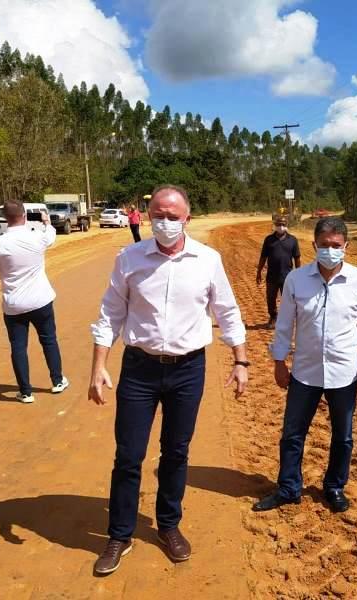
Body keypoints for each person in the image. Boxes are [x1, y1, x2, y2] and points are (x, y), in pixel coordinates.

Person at [88, 184, 249, 576]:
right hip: (139, 369)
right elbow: (110, 314)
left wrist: (241, 360)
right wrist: (98, 366)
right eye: (157, 214)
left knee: (176, 452)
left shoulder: (207, 260)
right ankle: (120, 533)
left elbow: (227, 311)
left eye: (172, 216)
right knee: (129, 454)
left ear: (187, 220)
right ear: (146, 215)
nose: (164, 222)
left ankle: (168, 525)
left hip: (188, 370)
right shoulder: (129, 258)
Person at [253, 217, 357, 514]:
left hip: (344, 371)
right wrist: (279, 363)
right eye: (324, 245)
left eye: (336, 246)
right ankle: (288, 488)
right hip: (304, 371)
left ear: (346, 247)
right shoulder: (296, 280)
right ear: (313, 245)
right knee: (292, 434)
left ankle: (334, 487)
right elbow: (284, 325)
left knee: (343, 436)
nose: (330, 250)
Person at [0, 200, 69, 404]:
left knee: (18, 347)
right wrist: (47, 221)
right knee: (49, 340)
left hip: (14, 305)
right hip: (41, 300)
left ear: (5, 219)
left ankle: (26, 392)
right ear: (25, 216)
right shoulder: (37, 237)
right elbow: (51, 235)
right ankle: (57, 380)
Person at [256, 215, 301, 329]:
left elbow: (297, 258)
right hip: (272, 276)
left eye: (283, 224)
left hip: (287, 276)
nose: (281, 226)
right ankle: (273, 317)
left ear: (286, 226)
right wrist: (259, 272)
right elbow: (263, 257)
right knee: (270, 298)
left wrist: (299, 274)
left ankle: (287, 320)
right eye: (278, 224)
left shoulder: (293, 240)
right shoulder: (269, 240)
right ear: (275, 225)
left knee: (288, 300)